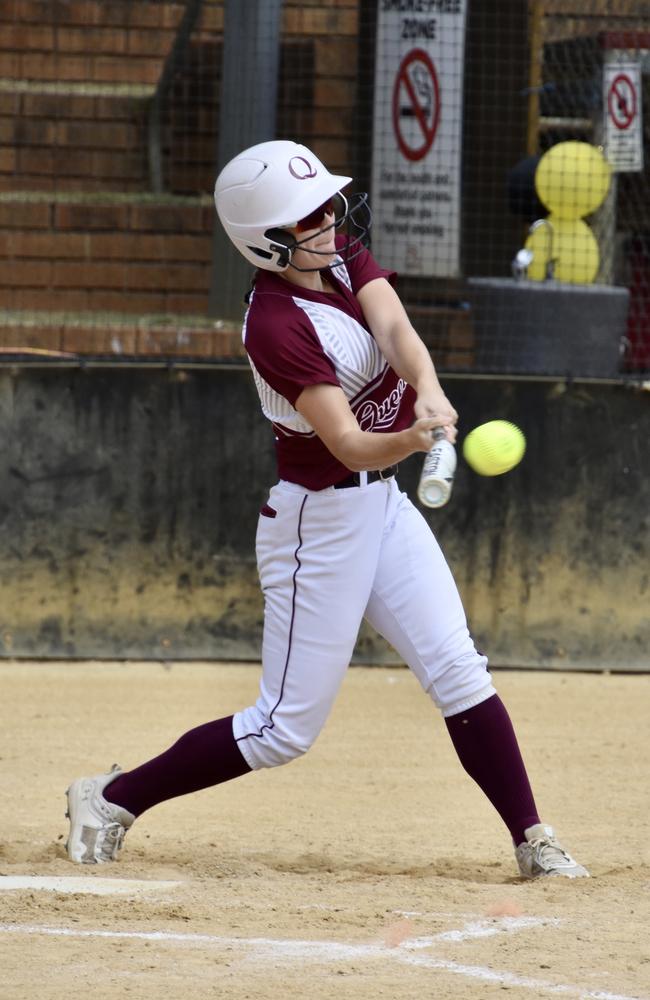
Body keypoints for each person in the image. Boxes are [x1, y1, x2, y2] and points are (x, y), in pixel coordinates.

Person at [65, 140, 588, 880]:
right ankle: (110, 797)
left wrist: (430, 391)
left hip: (382, 507)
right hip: (317, 520)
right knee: (281, 730)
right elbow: (345, 443)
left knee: (459, 671)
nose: (330, 222)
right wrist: (412, 435)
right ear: (266, 240)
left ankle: (533, 838)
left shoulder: (337, 258)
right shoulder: (276, 325)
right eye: (307, 218)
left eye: (325, 208)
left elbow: (397, 332)